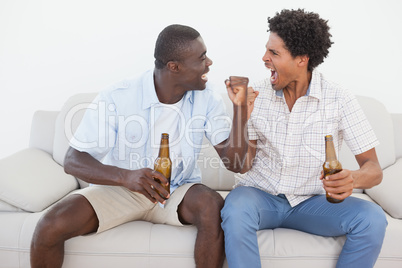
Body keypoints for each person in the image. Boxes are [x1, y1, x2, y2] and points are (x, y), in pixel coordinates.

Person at [30, 24, 256, 268]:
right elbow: (73, 160)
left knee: (212, 205)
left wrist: (241, 110)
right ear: (174, 67)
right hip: (122, 189)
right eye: (201, 58)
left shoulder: (208, 97)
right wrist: (126, 177)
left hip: (178, 189)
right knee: (50, 225)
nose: (209, 62)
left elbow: (233, 164)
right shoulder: (118, 96)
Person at [221, 9, 388, 268]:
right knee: (235, 208)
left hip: (312, 203)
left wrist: (352, 178)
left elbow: (374, 170)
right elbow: (241, 166)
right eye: (267, 50)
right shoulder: (257, 95)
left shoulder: (339, 98)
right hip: (259, 198)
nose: (264, 59)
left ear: (302, 59)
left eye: (274, 53)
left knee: (372, 218)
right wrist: (241, 115)